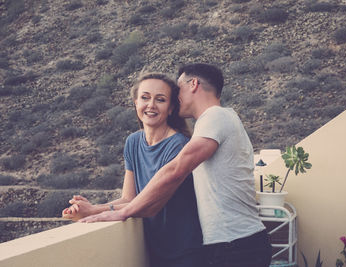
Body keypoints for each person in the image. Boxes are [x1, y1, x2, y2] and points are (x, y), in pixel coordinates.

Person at [80, 63, 272, 267]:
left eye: (178, 89)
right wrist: (100, 209)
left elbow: (176, 169)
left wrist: (123, 212)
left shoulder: (216, 116)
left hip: (236, 246)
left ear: (193, 84)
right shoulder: (218, 119)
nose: (176, 96)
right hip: (233, 245)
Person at [62, 73, 204, 267]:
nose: (151, 105)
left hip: (185, 251)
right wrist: (90, 209)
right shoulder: (133, 142)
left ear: (171, 108)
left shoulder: (178, 145)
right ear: (135, 102)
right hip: (153, 248)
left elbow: (150, 202)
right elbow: (129, 198)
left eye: (160, 100)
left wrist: (93, 211)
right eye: (145, 97)